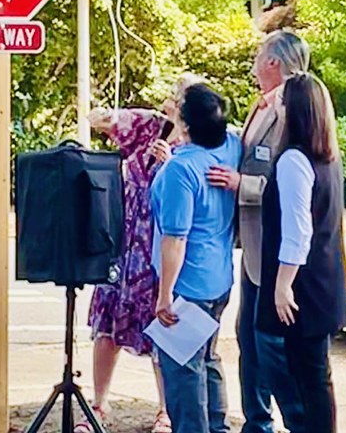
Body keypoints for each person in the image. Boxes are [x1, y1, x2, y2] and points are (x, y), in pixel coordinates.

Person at [75, 74, 200, 433]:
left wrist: (170, 162)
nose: (173, 102)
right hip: (127, 237)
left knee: (164, 326)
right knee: (108, 322)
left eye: (180, 98)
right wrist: (112, 115)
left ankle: (166, 410)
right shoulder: (151, 125)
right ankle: (99, 405)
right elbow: (100, 120)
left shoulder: (198, 140)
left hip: (162, 239)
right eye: (174, 97)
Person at [208, 30, 308, 433]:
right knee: (248, 340)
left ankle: (290, 421)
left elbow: (296, 185)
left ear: (273, 62)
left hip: (276, 249)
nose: (253, 59)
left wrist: (240, 184)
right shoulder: (262, 105)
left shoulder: (296, 109)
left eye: (259, 53)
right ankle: (257, 422)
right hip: (250, 247)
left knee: (270, 347)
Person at [257, 73, 346, 433]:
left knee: (307, 381)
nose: (275, 104)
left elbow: (298, 230)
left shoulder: (293, 160)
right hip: (325, 281)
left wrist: (282, 285)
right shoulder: (327, 156)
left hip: (304, 287)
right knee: (316, 378)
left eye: (282, 99)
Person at [150, 83, 242, 433]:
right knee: (208, 360)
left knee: (184, 374)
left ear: (186, 124)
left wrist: (164, 296)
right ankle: (218, 427)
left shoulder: (180, 171)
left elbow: (176, 238)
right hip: (218, 278)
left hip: (187, 285)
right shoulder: (229, 148)